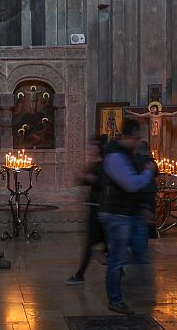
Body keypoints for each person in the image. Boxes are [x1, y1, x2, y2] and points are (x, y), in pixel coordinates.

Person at [98, 118, 157, 315]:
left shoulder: (129, 153)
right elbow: (130, 184)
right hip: (117, 214)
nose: (138, 141)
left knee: (140, 253)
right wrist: (148, 173)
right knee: (117, 260)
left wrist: (144, 207)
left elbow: (135, 187)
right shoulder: (114, 156)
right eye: (136, 138)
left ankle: (138, 291)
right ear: (126, 136)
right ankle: (115, 300)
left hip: (132, 213)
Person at [65, 135, 108, 285]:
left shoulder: (104, 164)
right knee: (102, 242)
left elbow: (102, 182)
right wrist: (83, 177)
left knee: (91, 243)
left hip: (100, 208)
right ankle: (117, 269)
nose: (90, 149)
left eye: (93, 146)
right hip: (94, 206)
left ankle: (80, 275)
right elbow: (84, 180)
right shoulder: (95, 163)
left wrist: (90, 178)